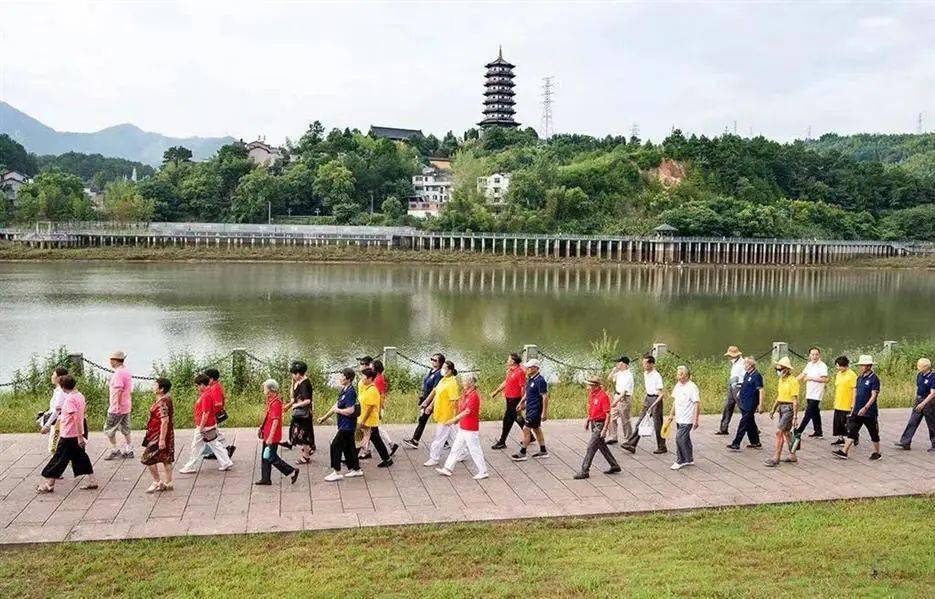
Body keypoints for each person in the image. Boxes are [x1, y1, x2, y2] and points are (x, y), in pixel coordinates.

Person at [36, 375, 99, 493]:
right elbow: (79, 412)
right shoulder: (79, 396)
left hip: (69, 434)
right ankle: (92, 480)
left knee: (59, 458)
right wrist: (63, 408)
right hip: (76, 433)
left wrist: (79, 437)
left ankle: (49, 484)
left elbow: (75, 418)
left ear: (63, 387)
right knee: (81, 457)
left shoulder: (70, 400)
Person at [436, 373, 489, 479]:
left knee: (474, 449)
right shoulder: (465, 393)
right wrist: (458, 420)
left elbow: (467, 411)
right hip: (463, 426)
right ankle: (447, 468)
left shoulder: (474, 396)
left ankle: (483, 471)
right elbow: (462, 409)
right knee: (456, 447)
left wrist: (453, 420)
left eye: (465, 381)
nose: (463, 383)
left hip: (470, 427)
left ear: (472, 382)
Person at [178, 374, 234, 473]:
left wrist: (201, 427)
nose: (196, 388)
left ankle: (190, 466)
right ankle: (226, 462)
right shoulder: (208, 392)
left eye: (197, 386)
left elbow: (206, 413)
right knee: (214, 444)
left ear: (202, 384)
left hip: (205, 425)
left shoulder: (206, 395)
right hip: (210, 423)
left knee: (196, 446)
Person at [833, 355, 883, 461]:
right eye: (860, 365)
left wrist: (866, 407)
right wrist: (853, 407)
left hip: (869, 412)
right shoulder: (860, 378)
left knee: (873, 432)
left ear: (869, 366)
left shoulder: (874, 379)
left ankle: (877, 452)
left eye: (863, 365)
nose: (861, 367)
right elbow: (856, 393)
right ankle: (844, 451)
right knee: (852, 430)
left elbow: (874, 395)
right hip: (857, 410)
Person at [572, 376, 621, 479]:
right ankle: (614, 465)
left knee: (591, 447)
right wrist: (588, 420)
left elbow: (608, 414)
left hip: (600, 424)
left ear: (595, 386)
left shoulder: (603, 396)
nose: (587, 387)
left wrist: (605, 429)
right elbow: (591, 408)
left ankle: (585, 470)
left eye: (589, 385)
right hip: (593, 423)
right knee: (601, 446)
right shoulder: (592, 394)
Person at [320, 368, 364, 482]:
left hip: (347, 426)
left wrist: (338, 410)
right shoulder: (344, 390)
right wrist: (324, 417)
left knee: (335, 445)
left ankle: (336, 472)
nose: (340, 378)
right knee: (349, 447)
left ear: (348, 379)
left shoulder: (350, 393)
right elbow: (336, 405)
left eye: (342, 376)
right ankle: (356, 469)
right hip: (344, 424)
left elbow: (350, 410)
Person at [255, 379, 299, 485]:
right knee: (265, 456)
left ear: (270, 390)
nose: (264, 390)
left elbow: (275, 420)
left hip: (272, 435)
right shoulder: (271, 400)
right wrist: (263, 426)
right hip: (268, 432)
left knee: (271, 456)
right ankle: (265, 478)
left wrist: (271, 437)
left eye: (265, 388)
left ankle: (292, 471)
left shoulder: (276, 403)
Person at [620, 355, 667, 455]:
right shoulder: (645, 373)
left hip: (656, 399)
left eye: (645, 363)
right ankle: (631, 444)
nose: (643, 365)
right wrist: (646, 399)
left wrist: (653, 405)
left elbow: (661, 394)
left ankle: (662, 446)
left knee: (658, 424)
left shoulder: (657, 376)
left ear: (651, 364)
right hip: (648, 398)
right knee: (640, 421)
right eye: (643, 363)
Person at [402, 353, 445, 449]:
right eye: (432, 359)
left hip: (432, 401)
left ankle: (415, 440)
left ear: (440, 363)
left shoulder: (439, 374)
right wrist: (422, 397)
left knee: (425, 419)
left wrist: (428, 403)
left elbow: (436, 390)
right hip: (426, 399)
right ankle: (445, 441)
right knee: (433, 420)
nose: (432, 361)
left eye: (435, 360)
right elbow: (427, 384)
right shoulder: (432, 371)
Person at [422, 360, 461, 466]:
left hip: (446, 415)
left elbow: (455, 401)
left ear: (450, 370)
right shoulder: (443, 380)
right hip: (440, 413)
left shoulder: (452, 383)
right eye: (442, 367)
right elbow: (437, 394)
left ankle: (434, 458)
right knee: (454, 436)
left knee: (439, 438)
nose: (442, 370)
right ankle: (463, 453)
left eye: (445, 368)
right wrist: (430, 406)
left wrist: (456, 417)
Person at [511, 359, 550, 461]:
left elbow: (545, 397)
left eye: (530, 367)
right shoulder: (530, 379)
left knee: (526, 429)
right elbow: (527, 393)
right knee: (536, 429)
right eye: (527, 367)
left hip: (535, 410)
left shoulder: (540, 381)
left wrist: (544, 413)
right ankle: (543, 451)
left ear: (536, 368)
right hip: (530, 408)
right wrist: (521, 402)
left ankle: (522, 453)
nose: (527, 369)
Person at [141, 378, 175, 493]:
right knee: (166, 458)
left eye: (155, 385)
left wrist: (161, 439)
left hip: (158, 434)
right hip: (162, 433)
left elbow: (164, 421)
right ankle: (168, 482)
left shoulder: (162, 403)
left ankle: (157, 481)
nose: (153, 386)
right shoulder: (166, 399)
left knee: (148, 457)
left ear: (161, 389)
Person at [765, 357, 799, 467]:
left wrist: (795, 417)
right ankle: (792, 455)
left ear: (787, 369)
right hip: (781, 407)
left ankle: (776, 457)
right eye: (777, 369)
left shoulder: (793, 381)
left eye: (780, 369)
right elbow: (779, 396)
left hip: (789, 408)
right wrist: (773, 409)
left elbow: (795, 400)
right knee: (786, 432)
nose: (778, 371)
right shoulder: (781, 380)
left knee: (779, 432)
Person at [895, 357, 935, 452]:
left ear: (926, 367)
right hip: (919, 399)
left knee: (932, 424)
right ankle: (905, 442)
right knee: (912, 421)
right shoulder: (919, 375)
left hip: (929, 402)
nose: (917, 367)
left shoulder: (933, 377)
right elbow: (919, 387)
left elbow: (933, 393)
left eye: (919, 366)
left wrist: (923, 403)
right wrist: (918, 400)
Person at [360, 359, 398, 458]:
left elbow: (381, 395)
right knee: (374, 432)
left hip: (376, 409)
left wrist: (380, 410)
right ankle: (370, 450)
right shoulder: (377, 378)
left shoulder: (377, 380)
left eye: (371, 366)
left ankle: (388, 447)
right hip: (375, 409)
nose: (369, 367)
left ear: (375, 368)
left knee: (375, 431)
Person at [490, 353, 526, 450]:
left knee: (507, 420)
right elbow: (506, 382)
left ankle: (502, 441)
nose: (507, 361)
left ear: (513, 361)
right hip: (509, 398)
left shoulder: (520, 372)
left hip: (515, 399)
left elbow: (523, 388)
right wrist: (496, 392)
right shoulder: (510, 370)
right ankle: (530, 436)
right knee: (516, 418)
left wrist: (522, 402)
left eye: (508, 359)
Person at [728, 356, 765, 451]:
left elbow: (761, 390)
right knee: (750, 423)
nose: (744, 365)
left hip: (751, 403)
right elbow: (745, 384)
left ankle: (736, 443)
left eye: (745, 364)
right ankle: (755, 442)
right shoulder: (747, 374)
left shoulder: (757, 376)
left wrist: (761, 405)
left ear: (750, 365)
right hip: (744, 401)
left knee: (743, 423)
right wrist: (740, 393)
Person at [668, 365, 701, 470]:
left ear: (686, 376)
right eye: (678, 374)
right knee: (685, 439)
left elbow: (697, 403)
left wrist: (695, 420)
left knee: (679, 439)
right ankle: (689, 459)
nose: (678, 376)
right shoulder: (678, 385)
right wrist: (671, 414)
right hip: (679, 417)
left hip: (687, 419)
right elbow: (675, 401)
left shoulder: (692, 387)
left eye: (681, 374)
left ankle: (680, 460)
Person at [103, 350, 134, 460]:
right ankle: (129, 449)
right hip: (126, 406)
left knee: (108, 429)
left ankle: (115, 450)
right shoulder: (126, 371)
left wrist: (117, 406)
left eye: (111, 360)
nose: (110, 362)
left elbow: (119, 391)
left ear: (115, 361)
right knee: (125, 428)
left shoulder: (118, 373)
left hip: (117, 407)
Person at [284, 360, 315, 464]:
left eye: (293, 374)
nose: (292, 376)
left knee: (303, 435)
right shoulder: (299, 382)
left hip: (303, 414)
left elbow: (307, 400)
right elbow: (293, 396)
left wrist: (295, 405)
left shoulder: (304, 384)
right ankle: (308, 449)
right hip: (300, 414)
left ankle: (306, 456)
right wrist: (293, 383)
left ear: (298, 374)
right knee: (299, 433)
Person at [794, 347, 829, 439]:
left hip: (817, 393)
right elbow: (802, 375)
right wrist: (792, 382)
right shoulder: (809, 364)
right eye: (812, 354)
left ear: (819, 355)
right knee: (815, 412)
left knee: (808, 412)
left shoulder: (822, 365)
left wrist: (810, 378)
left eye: (816, 354)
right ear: (809, 355)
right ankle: (818, 432)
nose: (814, 356)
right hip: (810, 392)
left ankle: (799, 431)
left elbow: (825, 379)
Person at [200, 368, 235, 459]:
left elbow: (218, 403)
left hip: (214, 414)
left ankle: (226, 448)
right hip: (213, 414)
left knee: (213, 433)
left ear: (211, 379)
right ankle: (222, 450)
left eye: (206, 379)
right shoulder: (215, 386)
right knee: (215, 433)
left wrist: (210, 410)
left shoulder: (215, 388)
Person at [38, 366, 69, 455]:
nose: (52, 376)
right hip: (59, 422)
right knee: (58, 449)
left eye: (53, 374)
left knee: (53, 448)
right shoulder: (60, 390)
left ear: (59, 377)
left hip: (58, 424)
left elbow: (57, 411)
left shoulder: (60, 392)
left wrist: (47, 425)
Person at [717, 346, 746, 435]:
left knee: (743, 408)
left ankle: (754, 428)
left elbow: (745, 376)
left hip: (739, 387)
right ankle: (723, 428)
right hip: (732, 386)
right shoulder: (734, 363)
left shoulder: (743, 363)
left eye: (730, 356)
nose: (729, 358)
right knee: (728, 406)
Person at [605, 355, 634, 445]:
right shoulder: (619, 373)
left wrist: (615, 402)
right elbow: (609, 378)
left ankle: (628, 438)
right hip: (617, 395)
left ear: (624, 364)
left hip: (624, 398)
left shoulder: (629, 376)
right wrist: (614, 370)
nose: (617, 364)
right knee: (612, 417)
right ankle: (613, 437)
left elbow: (624, 392)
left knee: (625, 419)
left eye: (619, 362)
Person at [831, 356, 858, 446]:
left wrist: (853, 403)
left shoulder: (852, 375)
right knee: (838, 423)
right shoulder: (839, 374)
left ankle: (853, 438)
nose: (837, 368)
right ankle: (840, 438)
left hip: (847, 404)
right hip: (838, 402)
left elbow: (855, 390)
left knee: (846, 423)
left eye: (839, 366)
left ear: (844, 365)